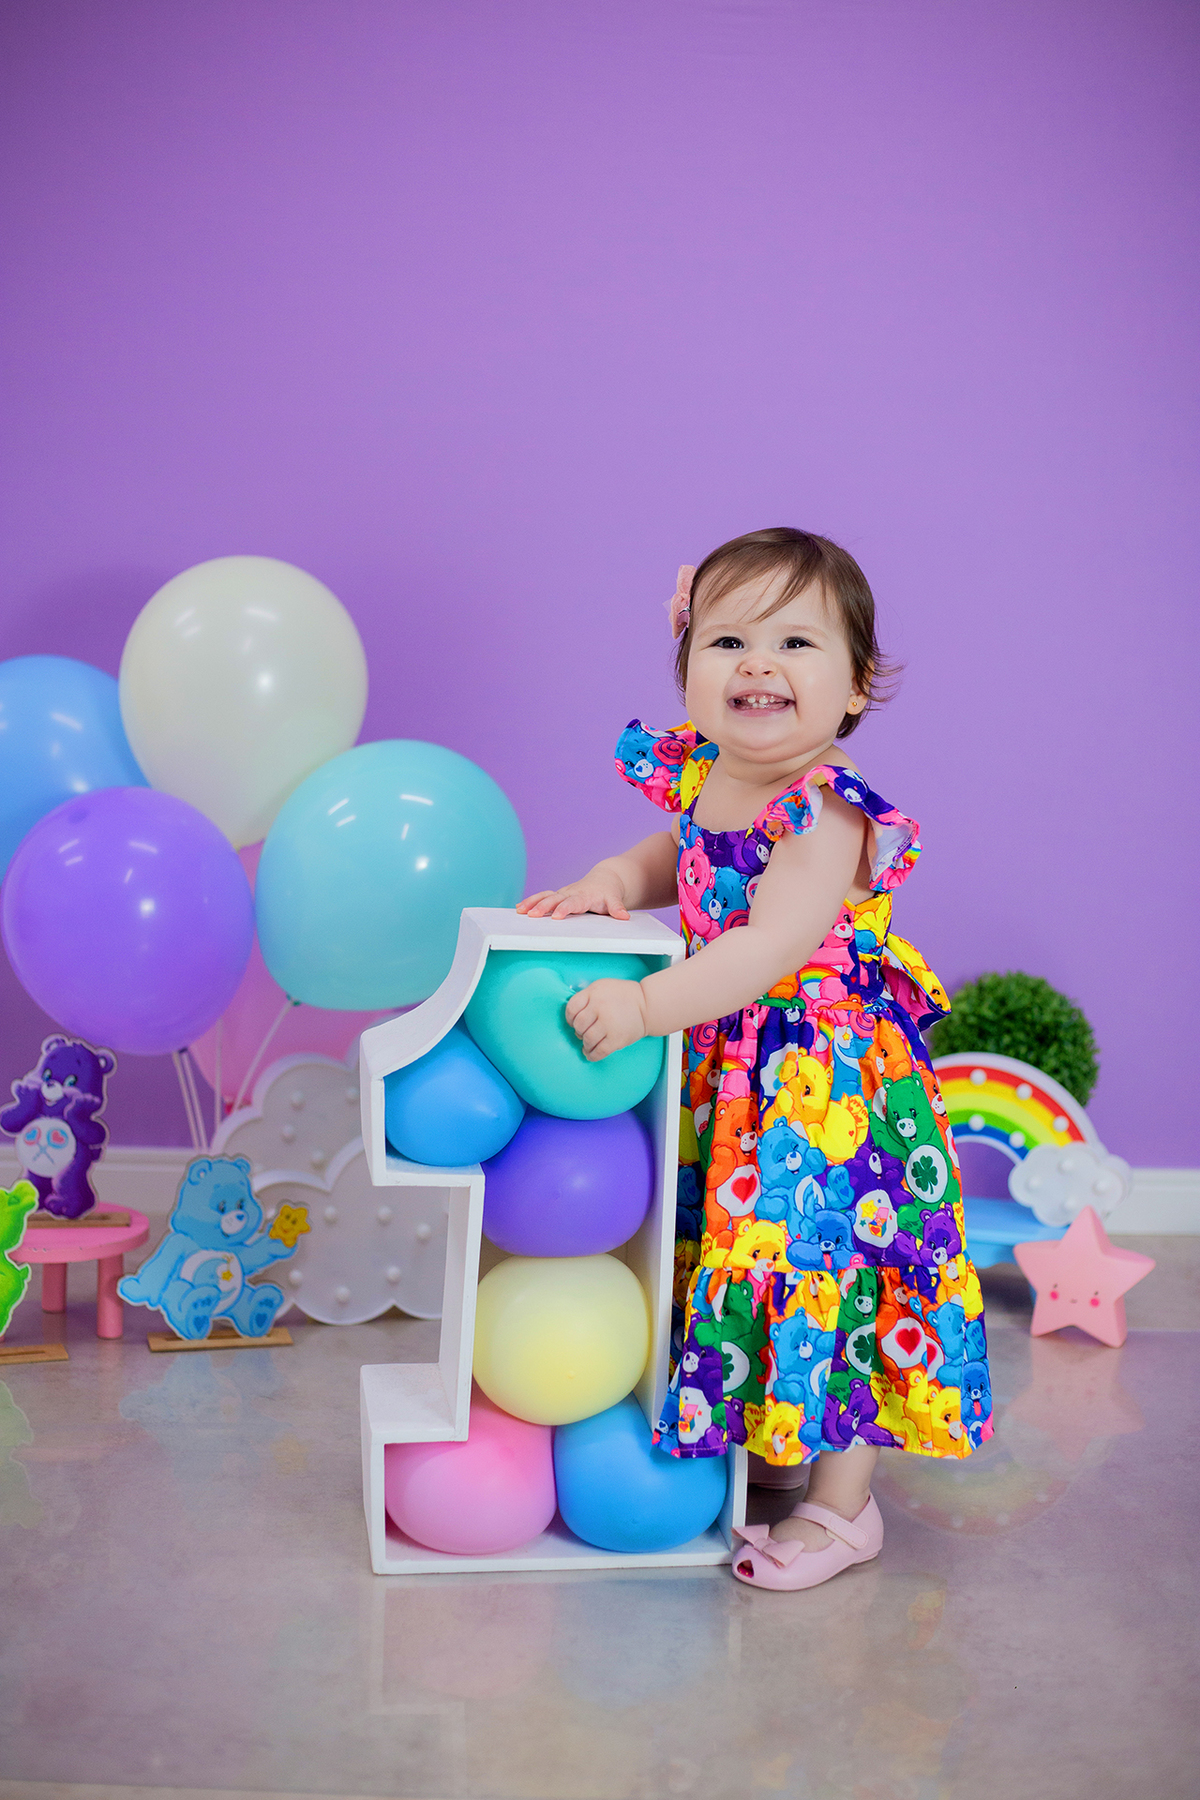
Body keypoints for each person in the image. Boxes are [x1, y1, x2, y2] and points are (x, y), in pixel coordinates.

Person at [517, 527, 993, 1592]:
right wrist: (611, 876)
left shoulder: (824, 806)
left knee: (825, 1273)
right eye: (727, 638)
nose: (758, 666)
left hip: (822, 1086)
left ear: (858, 684)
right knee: (741, 1256)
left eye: (795, 642)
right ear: (687, 664)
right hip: (738, 1066)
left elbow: (769, 943)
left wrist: (645, 1003)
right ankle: (775, 1439)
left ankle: (845, 1506)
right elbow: (673, 848)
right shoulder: (709, 770)